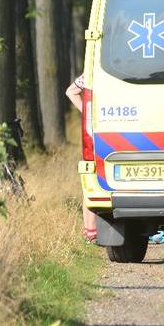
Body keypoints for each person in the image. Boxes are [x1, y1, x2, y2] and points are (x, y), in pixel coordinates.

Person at [65, 74, 97, 243]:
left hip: (101, 130)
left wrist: (89, 114)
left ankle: (90, 232)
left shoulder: (93, 70)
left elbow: (71, 91)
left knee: (92, 181)